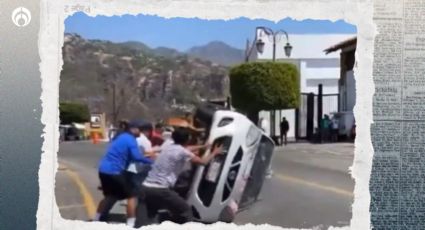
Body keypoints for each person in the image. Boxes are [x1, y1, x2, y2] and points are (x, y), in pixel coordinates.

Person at [137, 128, 222, 225]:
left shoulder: (168, 147)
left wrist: (204, 146)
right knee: (185, 211)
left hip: (145, 187)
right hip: (161, 189)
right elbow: (203, 162)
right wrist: (215, 152)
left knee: (147, 217)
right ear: (187, 140)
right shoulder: (183, 152)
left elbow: (188, 148)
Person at [93, 120, 153, 227]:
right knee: (132, 196)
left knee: (110, 195)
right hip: (114, 172)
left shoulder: (120, 137)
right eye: (140, 129)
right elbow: (137, 157)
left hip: (103, 170)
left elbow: (127, 155)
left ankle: (97, 219)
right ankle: (131, 224)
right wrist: (152, 162)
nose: (141, 132)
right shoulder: (131, 139)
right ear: (133, 129)